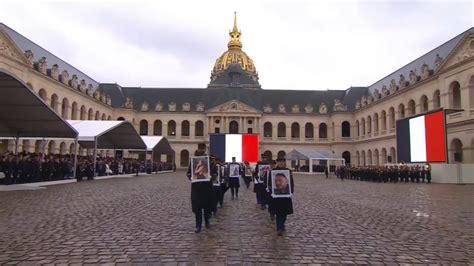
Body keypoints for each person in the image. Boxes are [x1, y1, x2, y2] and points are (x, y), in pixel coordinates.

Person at [187, 147, 214, 233]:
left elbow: (214, 172)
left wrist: (211, 177)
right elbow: (188, 173)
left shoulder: (208, 162)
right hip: (196, 188)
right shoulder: (193, 162)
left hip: (206, 187)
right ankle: (198, 225)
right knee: (197, 207)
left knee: (207, 206)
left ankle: (207, 222)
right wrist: (191, 177)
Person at [268, 158, 294, 236]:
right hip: (276, 196)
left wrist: (291, 190)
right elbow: (270, 182)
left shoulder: (288, 171)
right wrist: (271, 191)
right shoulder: (273, 171)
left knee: (284, 213)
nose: (282, 163)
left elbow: (291, 182)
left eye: (283, 162)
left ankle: (282, 224)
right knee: (278, 212)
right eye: (280, 162)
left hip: (286, 196)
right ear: (278, 163)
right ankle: (279, 228)